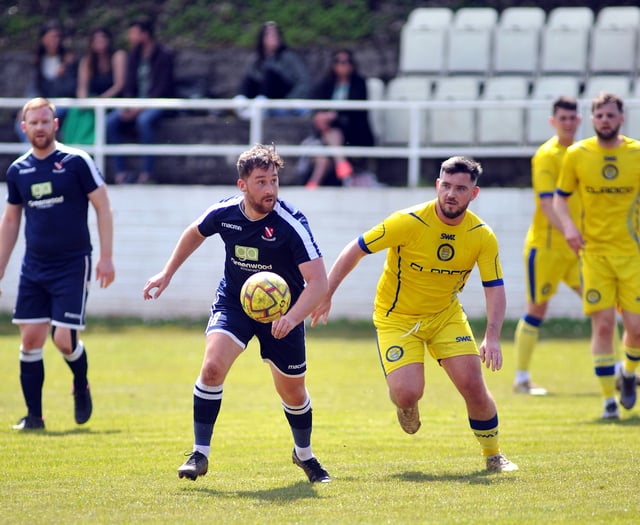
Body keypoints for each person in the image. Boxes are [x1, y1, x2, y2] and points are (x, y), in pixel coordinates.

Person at [310, 156, 518, 473]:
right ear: (437, 185)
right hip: (397, 319)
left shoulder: (481, 235)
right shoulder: (408, 222)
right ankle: (406, 405)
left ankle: (493, 455)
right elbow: (355, 248)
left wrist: (492, 336)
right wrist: (327, 294)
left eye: (460, 188)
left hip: (445, 317)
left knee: (473, 384)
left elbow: (495, 286)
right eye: (446, 186)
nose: (451, 194)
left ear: (473, 194)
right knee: (407, 393)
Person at [142, 144, 331, 483]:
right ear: (242, 185)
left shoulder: (290, 223)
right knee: (212, 368)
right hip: (234, 303)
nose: (270, 189)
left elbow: (318, 282)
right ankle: (200, 453)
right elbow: (194, 232)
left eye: (274, 180)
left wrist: (292, 317)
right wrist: (167, 272)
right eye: (261, 182)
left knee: (293, 392)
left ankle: (304, 455)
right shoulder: (226, 213)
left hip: (283, 314)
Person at [0, 97, 115, 430]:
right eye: (33, 122)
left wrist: (106, 258)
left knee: (63, 340)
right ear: (24, 128)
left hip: (72, 263)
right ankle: (34, 417)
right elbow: (10, 221)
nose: (39, 127)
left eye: (44, 121)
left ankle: (81, 383)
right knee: (31, 340)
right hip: (34, 266)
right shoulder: (18, 170)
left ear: (55, 124)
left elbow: (103, 206)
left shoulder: (76, 161)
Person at [554, 92, 640, 420]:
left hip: (633, 254)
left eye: (610, 115)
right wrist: (569, 229)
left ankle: (628, 372)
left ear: (621, 118)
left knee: (636, 328)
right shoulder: (577, 154)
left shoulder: (636, 153)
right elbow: (560, 199)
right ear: (592, 120)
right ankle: (608, 402)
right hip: (594, 254)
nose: (605, 120)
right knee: (603, 327)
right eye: (599, 115)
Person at [513, 96, 582, 395]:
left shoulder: (584, 153)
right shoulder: (546, 155)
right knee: (536, 310)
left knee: (603, 306)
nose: (567, 123)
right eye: (562, 118)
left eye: (572, 118)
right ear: (553, 122)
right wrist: (570, 231)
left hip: (578, 248)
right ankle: (521, 378)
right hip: (546, 247)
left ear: (579, 120)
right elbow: (546, 203)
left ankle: (621, 372)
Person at [106, 18, 174, 184]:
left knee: (144, 121)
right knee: (110, 122)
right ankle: (121, 172)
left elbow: (162, 87)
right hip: (136, 102)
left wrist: (141, 107)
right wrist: (128, 104)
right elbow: (129, 85)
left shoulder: (164, 54)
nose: (130, 37)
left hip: (158, 102)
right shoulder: (133, 55)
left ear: (145, 34)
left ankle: (147, 172)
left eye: (134, 33)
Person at [301, 49, 376, 189]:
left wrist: (334, 115)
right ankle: (341, 164)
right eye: (338, 62)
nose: (342, 65)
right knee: (324, 150)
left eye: (346, 62)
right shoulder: (326, 84)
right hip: (327, 132)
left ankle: (314, 184)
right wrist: (322, 116)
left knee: (330, 138)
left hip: (352, 131)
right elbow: (316, 104)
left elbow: (357, 111)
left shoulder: (359, 84)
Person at [15, 20, 77, 142]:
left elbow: (70, 89)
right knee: (21, 123)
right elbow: (34, 88)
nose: (55, 40)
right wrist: (26, 107)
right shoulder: (38, 61)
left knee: (44, 120)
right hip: (41, 103)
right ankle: (31, 155)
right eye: (52, 36)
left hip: (61, 104)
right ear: (43, 39)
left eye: (57, 37)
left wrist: (60, 76)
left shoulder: (68, 60)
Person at [62, 27, 127, 145]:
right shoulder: (87, 60)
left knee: (98, 116)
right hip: (92, 101)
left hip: (112, 101)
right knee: (75, 111)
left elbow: (119, 85)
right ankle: (72, 147)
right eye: (96, 40)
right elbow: (82, 87)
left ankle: (89, 145)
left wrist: (101, 100)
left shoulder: (117, 56)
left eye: (102, 39)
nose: (99, 42)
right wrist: (84, 102)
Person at [234, 21, 310, 118]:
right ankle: (243, 105)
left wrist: (290, 100)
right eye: (269, 35)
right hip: (262, 98)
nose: (273, 38)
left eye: (275, 35)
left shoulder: (289, 57)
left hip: (283, 97)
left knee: (270, 74)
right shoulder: (257, 60)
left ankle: (261, 104)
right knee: (250, 78)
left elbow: (304, 82)